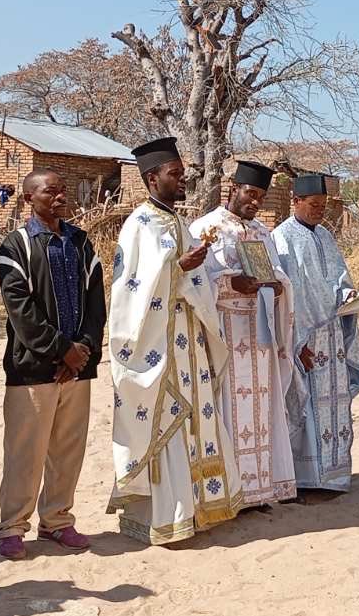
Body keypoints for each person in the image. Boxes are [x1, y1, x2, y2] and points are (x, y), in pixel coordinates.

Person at [107, 138, 242, 543]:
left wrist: (189, 272)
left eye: (183, 173)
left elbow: (195, 284)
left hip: (190, 343)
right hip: (158, 348)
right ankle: (165, 516)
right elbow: (127, 294)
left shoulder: (180, 222)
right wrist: (176, 269)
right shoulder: (139, 225)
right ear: (153, 178)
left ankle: (200, 508)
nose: (183, 180)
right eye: (175, 174)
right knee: (168, 420)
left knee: (199, 420)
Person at [0, 169, 107, 557]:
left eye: (62, 191)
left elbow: (96, 304)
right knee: (27, 451)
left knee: (67, 450)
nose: (59, 197)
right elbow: (20, 312)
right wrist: (62, 351)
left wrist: (83, 350)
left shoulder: (80, 242)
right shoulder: (16, 246)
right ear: (29, 198)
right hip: (33, 369)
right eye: (49, 191)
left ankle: (57, 521)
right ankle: (11, 527)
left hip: (78, 369)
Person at [191, 161, 300, 508]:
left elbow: (280, 276)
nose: (255, 202)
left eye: (261, 197)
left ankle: (261, 490)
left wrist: (277, 286)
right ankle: (232, 493)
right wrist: (229, 282)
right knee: (226, 409)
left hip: (260, 332)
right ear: (232, 190)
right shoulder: (205, 228)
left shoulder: (263, 233)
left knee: (264, 410)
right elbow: (195, 282)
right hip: (224, 332)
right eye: (250, 194)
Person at [272, 173, 359, 492]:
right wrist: (296, 343)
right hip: (304, 339)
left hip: (333, 335)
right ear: (295, 202)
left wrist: (348, 294)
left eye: (323, 206)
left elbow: (339, 276)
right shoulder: (282, 238)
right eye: (313, 205)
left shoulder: (325, 235)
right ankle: (305, 480)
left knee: (334, 405)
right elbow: (286, 296)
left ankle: (333, 475)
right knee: (305, 405)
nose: (319, 211)